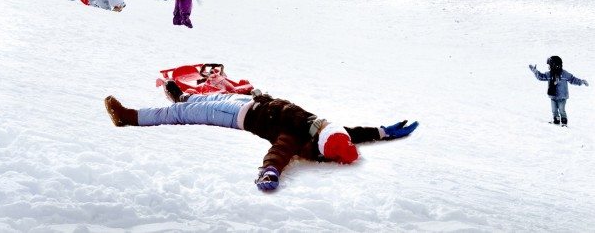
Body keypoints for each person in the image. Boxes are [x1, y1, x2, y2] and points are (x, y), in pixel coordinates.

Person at [103, 87, 418, 191]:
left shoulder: (298, 137)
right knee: (207, 96)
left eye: (327, 129)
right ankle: (183, 95)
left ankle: (129, 117)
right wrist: (385, 132)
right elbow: (355, 133)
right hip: (251, 103)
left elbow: (278, 154)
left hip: (237, 117)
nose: (326, 123)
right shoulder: (325, 130)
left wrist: (270, 173)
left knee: (182, 114)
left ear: (323, 141)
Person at [529, 56, 588, 126]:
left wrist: (581, 82)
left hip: (562, 97)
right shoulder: (550, 74)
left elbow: (573, 79)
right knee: (554, 110)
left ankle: (564, 122)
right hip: (553, 96)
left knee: (561, 109)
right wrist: (536, 72)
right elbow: (542, 77)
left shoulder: (564, 74)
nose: (549, 67)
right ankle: (556, 120)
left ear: (555, 65)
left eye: (550, 65)